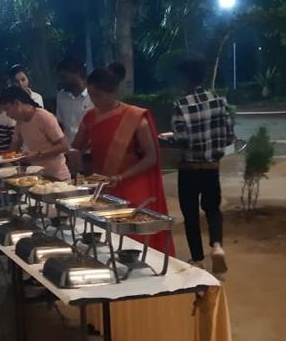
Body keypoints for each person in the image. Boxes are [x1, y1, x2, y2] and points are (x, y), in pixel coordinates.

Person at [70, 63, 174, 254]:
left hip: (133, 185)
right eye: (92, 95)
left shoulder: (135, 117)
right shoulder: (90, 117)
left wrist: (122, 176)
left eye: (99, 95)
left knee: (135, 238)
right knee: (106, 239)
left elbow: (151, 157)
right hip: (103, 185)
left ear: (113, 92)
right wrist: (74, 154)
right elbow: (76, 146)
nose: (95, 100)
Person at [171, 60, 234, 275]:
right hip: (211, 167)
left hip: (188, 168)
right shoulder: (219, 101)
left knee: (190, 213)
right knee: (213, 209)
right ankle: (217, 246)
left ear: (185, 78)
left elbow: (182, 139)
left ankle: (197, 259)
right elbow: (228, 137)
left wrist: (170, 141)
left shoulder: (181, 105)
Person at [0, 86, 70, 181]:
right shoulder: (20, 122)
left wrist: (38, 154)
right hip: (39, 177)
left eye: (7, 109)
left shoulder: (44, 117)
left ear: (17, 103)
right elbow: (14, 147)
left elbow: (64, 146)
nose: (7, 114)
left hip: (58, 177)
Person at [55, 56, 94, 144]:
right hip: (69, 150)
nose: (61, 82)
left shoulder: (94, 96)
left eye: (64, 77)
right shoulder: (61, 96)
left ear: (77, 74)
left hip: (90, 150)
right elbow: (60, 123)